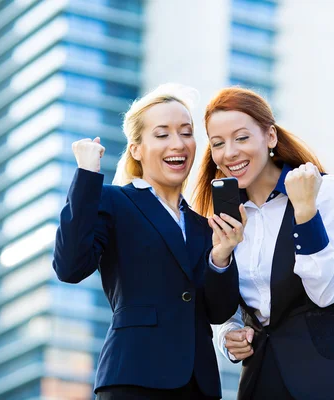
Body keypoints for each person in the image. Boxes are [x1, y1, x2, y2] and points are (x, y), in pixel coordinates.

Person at [53, 84, 246, 399]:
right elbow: (69, 267)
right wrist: (87, 175)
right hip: (133, 378)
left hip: (198, 386)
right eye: (162, 134)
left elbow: (218, 312)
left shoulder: (204, 226)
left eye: (186, 133)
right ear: (136, 149)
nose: (178, 144)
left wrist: (222, 254)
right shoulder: (113, 202)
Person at [192, 87, 334, 400]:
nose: (229, 153)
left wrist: (305, 212)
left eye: (241, 137)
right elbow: (224, 309)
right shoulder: (223, 215)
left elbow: (327, 293)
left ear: (270, 137)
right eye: (218, 143)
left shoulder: (325, 192)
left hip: (323, 383)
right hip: (259, 380)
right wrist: (229, 335)